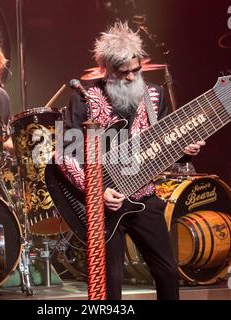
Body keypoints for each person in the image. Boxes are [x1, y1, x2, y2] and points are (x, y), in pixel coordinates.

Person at [59, 21, 205, 300]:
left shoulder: (154, 95)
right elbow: (65, 154)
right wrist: (97, 192)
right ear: (106, 70)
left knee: (168, 272)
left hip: (144, 196)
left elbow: (165, 146)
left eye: (136, 71)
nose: (131, 77)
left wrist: (184, 149)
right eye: (123, 73)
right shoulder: (85, 99)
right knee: (110, 283)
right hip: (104, 204)